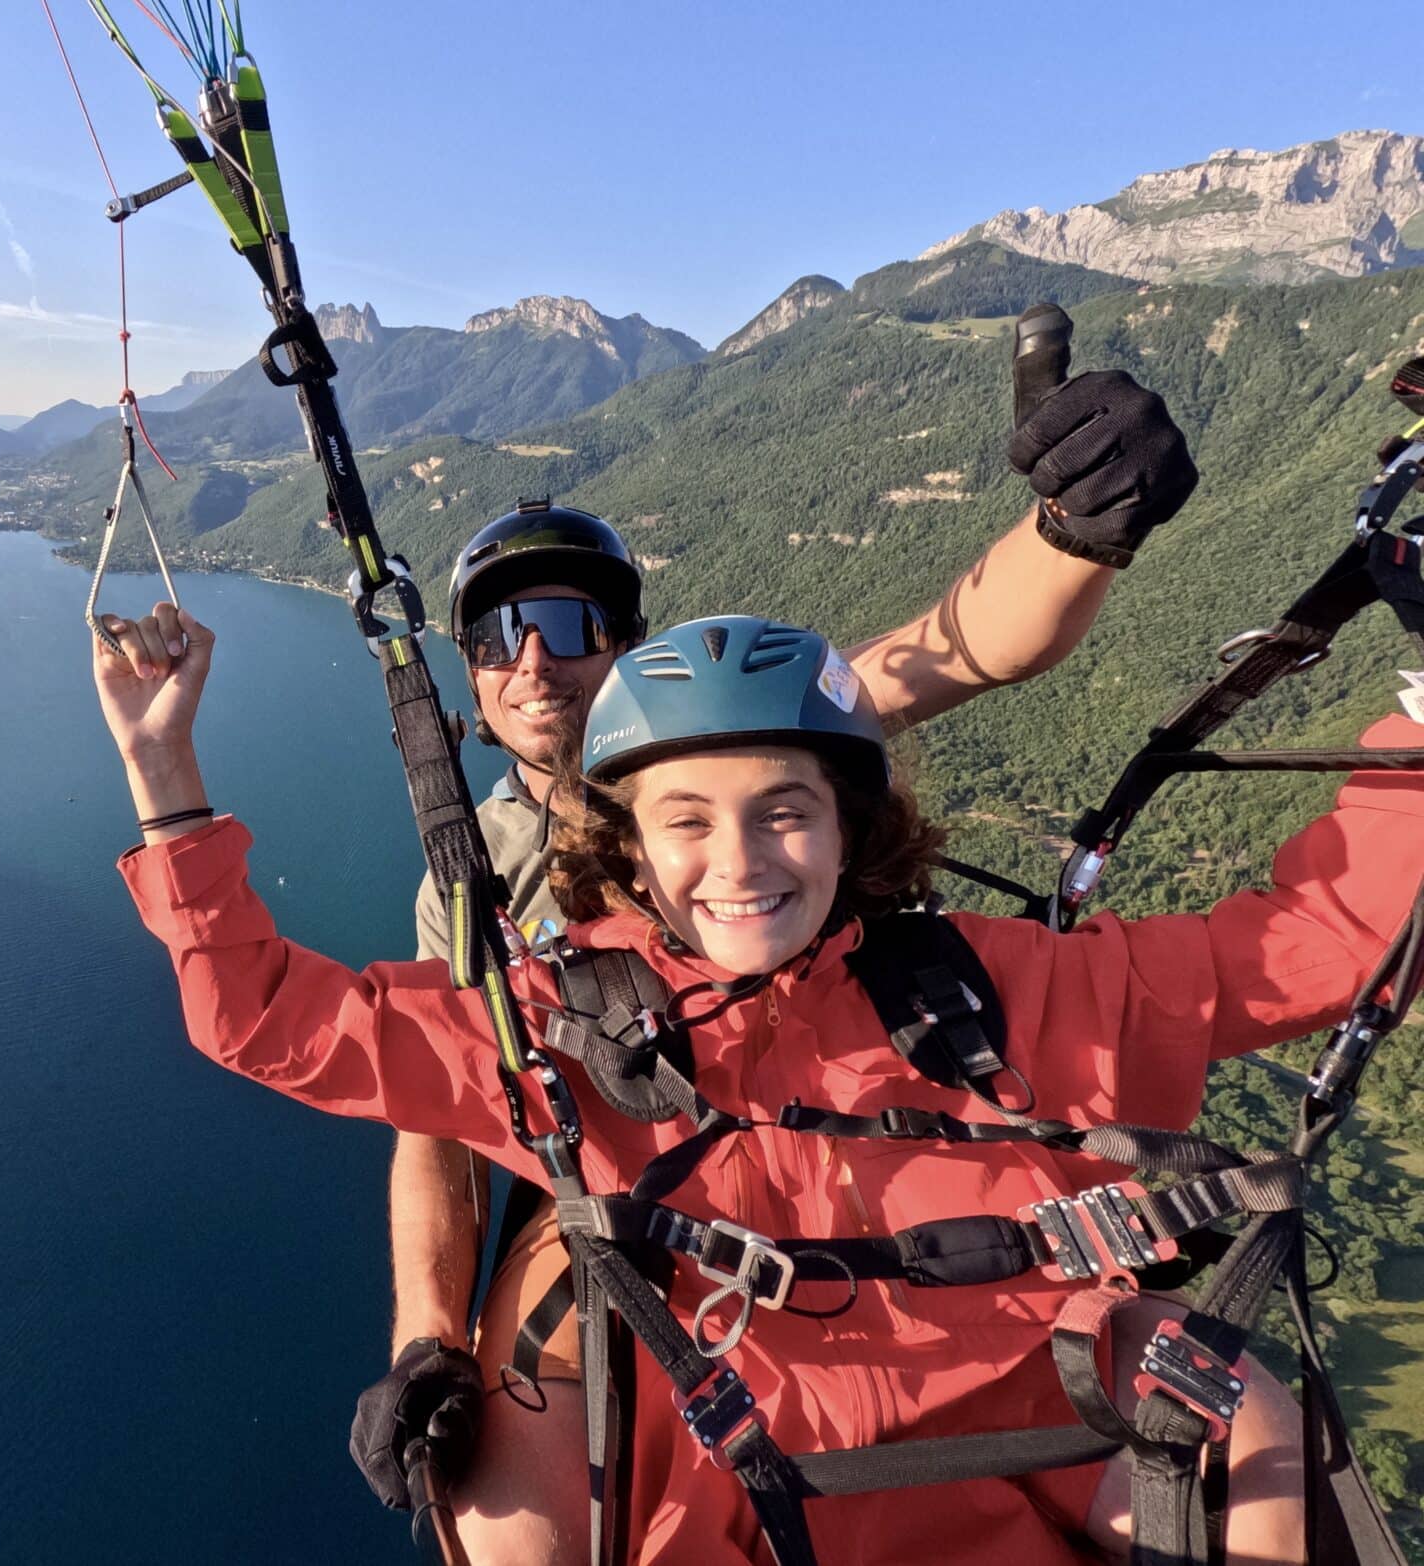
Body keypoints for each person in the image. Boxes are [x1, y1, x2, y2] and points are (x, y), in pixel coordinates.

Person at [94, 598, 1416, 1563]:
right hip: (728, 1466)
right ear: (629, 843)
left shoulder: (997, 987)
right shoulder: (569, 1024)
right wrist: (167, 783)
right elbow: (272, 1018)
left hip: (1035, 1425)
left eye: (786, 807)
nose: (739, 860)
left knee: (1267, 1462)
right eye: (685, 819)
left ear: (852, 823)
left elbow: (1308, 950)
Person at [363, 360, 1199, 1548]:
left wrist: (1076, 527)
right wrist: (426, 1342)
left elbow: (963, 647)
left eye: (567, 622)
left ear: (629, 649)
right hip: (615, 1204)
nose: (533, 659)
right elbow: (436, 1127)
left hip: (841, 1151)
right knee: (509, 1532)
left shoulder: (738, 737)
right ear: (472, 680)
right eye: (499, 634)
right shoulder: (471, 879)